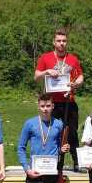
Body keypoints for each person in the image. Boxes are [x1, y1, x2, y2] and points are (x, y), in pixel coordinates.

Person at [34, 29, 84, 171]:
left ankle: (77, 162)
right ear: (54, 42)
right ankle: (52, 161)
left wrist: (76, 84)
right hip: (52, 103)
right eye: (59, 41)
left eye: (64, 41)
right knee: (52, 132)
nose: (61, 43)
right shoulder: (45, 58)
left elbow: (80, 76)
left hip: (69, 101)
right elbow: (36, 76)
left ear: (66, 42)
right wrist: (46, 71)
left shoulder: (73, 59)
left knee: (72, 132)